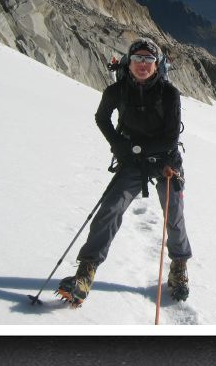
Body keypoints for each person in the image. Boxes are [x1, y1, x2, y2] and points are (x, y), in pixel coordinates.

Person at [56, 37, 192, 306]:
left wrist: (131, 148)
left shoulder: (169, 94)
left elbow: (170, 137)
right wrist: (118, 145)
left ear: (157, 64)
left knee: (173, 213)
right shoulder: (117, 91)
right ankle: (86, 271)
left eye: (149, 60)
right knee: (110, 208)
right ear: (129, 63)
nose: (143, 64)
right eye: (139, 59)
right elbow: (101, 117)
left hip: (164, 161)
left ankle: (179, 265)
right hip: (133, 159)